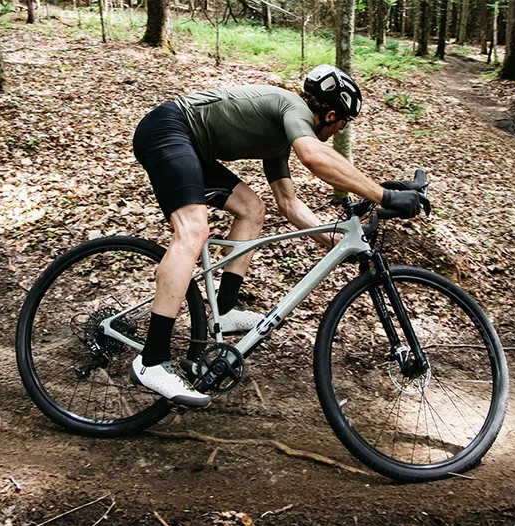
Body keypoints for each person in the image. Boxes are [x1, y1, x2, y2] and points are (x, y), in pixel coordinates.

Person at [131, 65, 421, 407]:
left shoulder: (279, 139)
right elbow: (314, 157)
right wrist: (382, 196)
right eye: (344, 121)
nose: (342, 128)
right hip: (168, 129)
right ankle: (151, 360)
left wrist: (338, 244)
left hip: (192, 147)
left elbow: (289, 204)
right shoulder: (293, 108)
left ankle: (223, 310)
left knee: (253, 209)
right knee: (193, 230)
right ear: (330, 114)